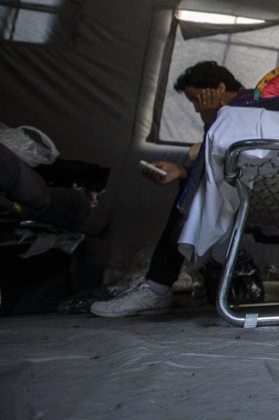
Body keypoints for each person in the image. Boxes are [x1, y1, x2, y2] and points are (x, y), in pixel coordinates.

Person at [90, 61, 253, 317]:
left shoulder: (251, 102)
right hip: (239, 183)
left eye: (195, 98)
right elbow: (216, 161)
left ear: (219, 87)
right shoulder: (227, 112)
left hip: (251, 186)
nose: (195, 106)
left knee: (192, 186)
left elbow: (226, 157)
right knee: (190, 183)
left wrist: (212, 118)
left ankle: (157, 287)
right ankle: (158, 286)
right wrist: (183, 170)